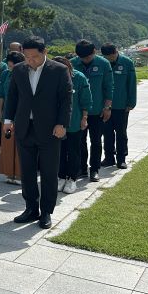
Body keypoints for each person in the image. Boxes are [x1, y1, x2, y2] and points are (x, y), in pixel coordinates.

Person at [3, 36, 72, 229]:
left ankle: (46, 212)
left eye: (34, 57)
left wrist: (61, 124)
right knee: (28, 172)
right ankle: (31, 208)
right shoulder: (18, 70)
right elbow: (12, 96)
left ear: (45, 52)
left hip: (50, 129)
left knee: (49, 172)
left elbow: (66, 100)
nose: (30, 61)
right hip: (25, 127)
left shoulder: (59, 70)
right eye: (27, 57)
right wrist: (8, 121)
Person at [71, 40, 114, 182]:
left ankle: (94, 169)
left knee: (96, 141)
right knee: (79, 141)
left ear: (94, 52)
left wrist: (107, 107)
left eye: (88, 57)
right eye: (82, 58)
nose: (85, 60)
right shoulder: (72, 64)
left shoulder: (103, 64)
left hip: (97, 111)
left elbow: (109, 86)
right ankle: (81, 168)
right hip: (78, 112)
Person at [52, 56, 92, 194]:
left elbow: (86, 100)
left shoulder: (79, 78)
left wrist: (84, 118)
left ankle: (72, 179)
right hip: (56, 123)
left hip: (74, 121)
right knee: (59, 152)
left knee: (74, 151)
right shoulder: (51, 77)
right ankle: (61, 177)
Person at [100, 43, 136, 169]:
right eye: (107, 57)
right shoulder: (101, 63)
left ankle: (121, 158)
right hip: (105, 106)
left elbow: (131, 83)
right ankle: (109, 157)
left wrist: (131, 102)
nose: (110, 59)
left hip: (121, 105)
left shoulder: (127, 62)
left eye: (112, 56)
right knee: (107, 133)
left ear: (116, 52)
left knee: (121, 133)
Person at [0, 51, 25, 184]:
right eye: (9, 66)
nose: (10, 69)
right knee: (8, 142)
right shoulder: (5, 74)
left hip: (21, 113)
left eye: (13, 66)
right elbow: (1, 93)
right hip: (8, 113)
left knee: (21, 144)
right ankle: (9, 172)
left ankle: (20, 174)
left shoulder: (26, 74)